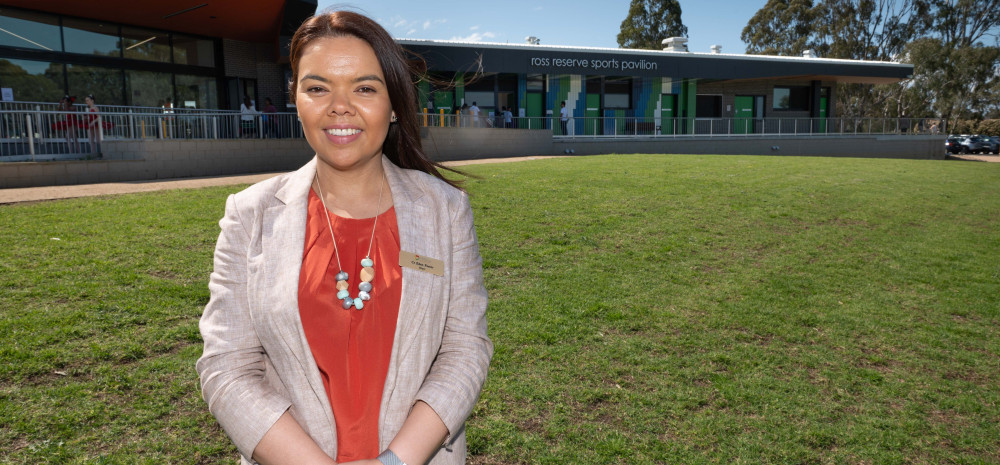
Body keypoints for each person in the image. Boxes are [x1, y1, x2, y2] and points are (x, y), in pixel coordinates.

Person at [196, 10, 492, 465]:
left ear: (393, 104)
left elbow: (464, 350)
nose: (340, 106)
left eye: (364, 88)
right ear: (295, 98)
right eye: (317, 88)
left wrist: (396, 461)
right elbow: (228, 368)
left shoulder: (444, 211)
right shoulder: (250, 214)